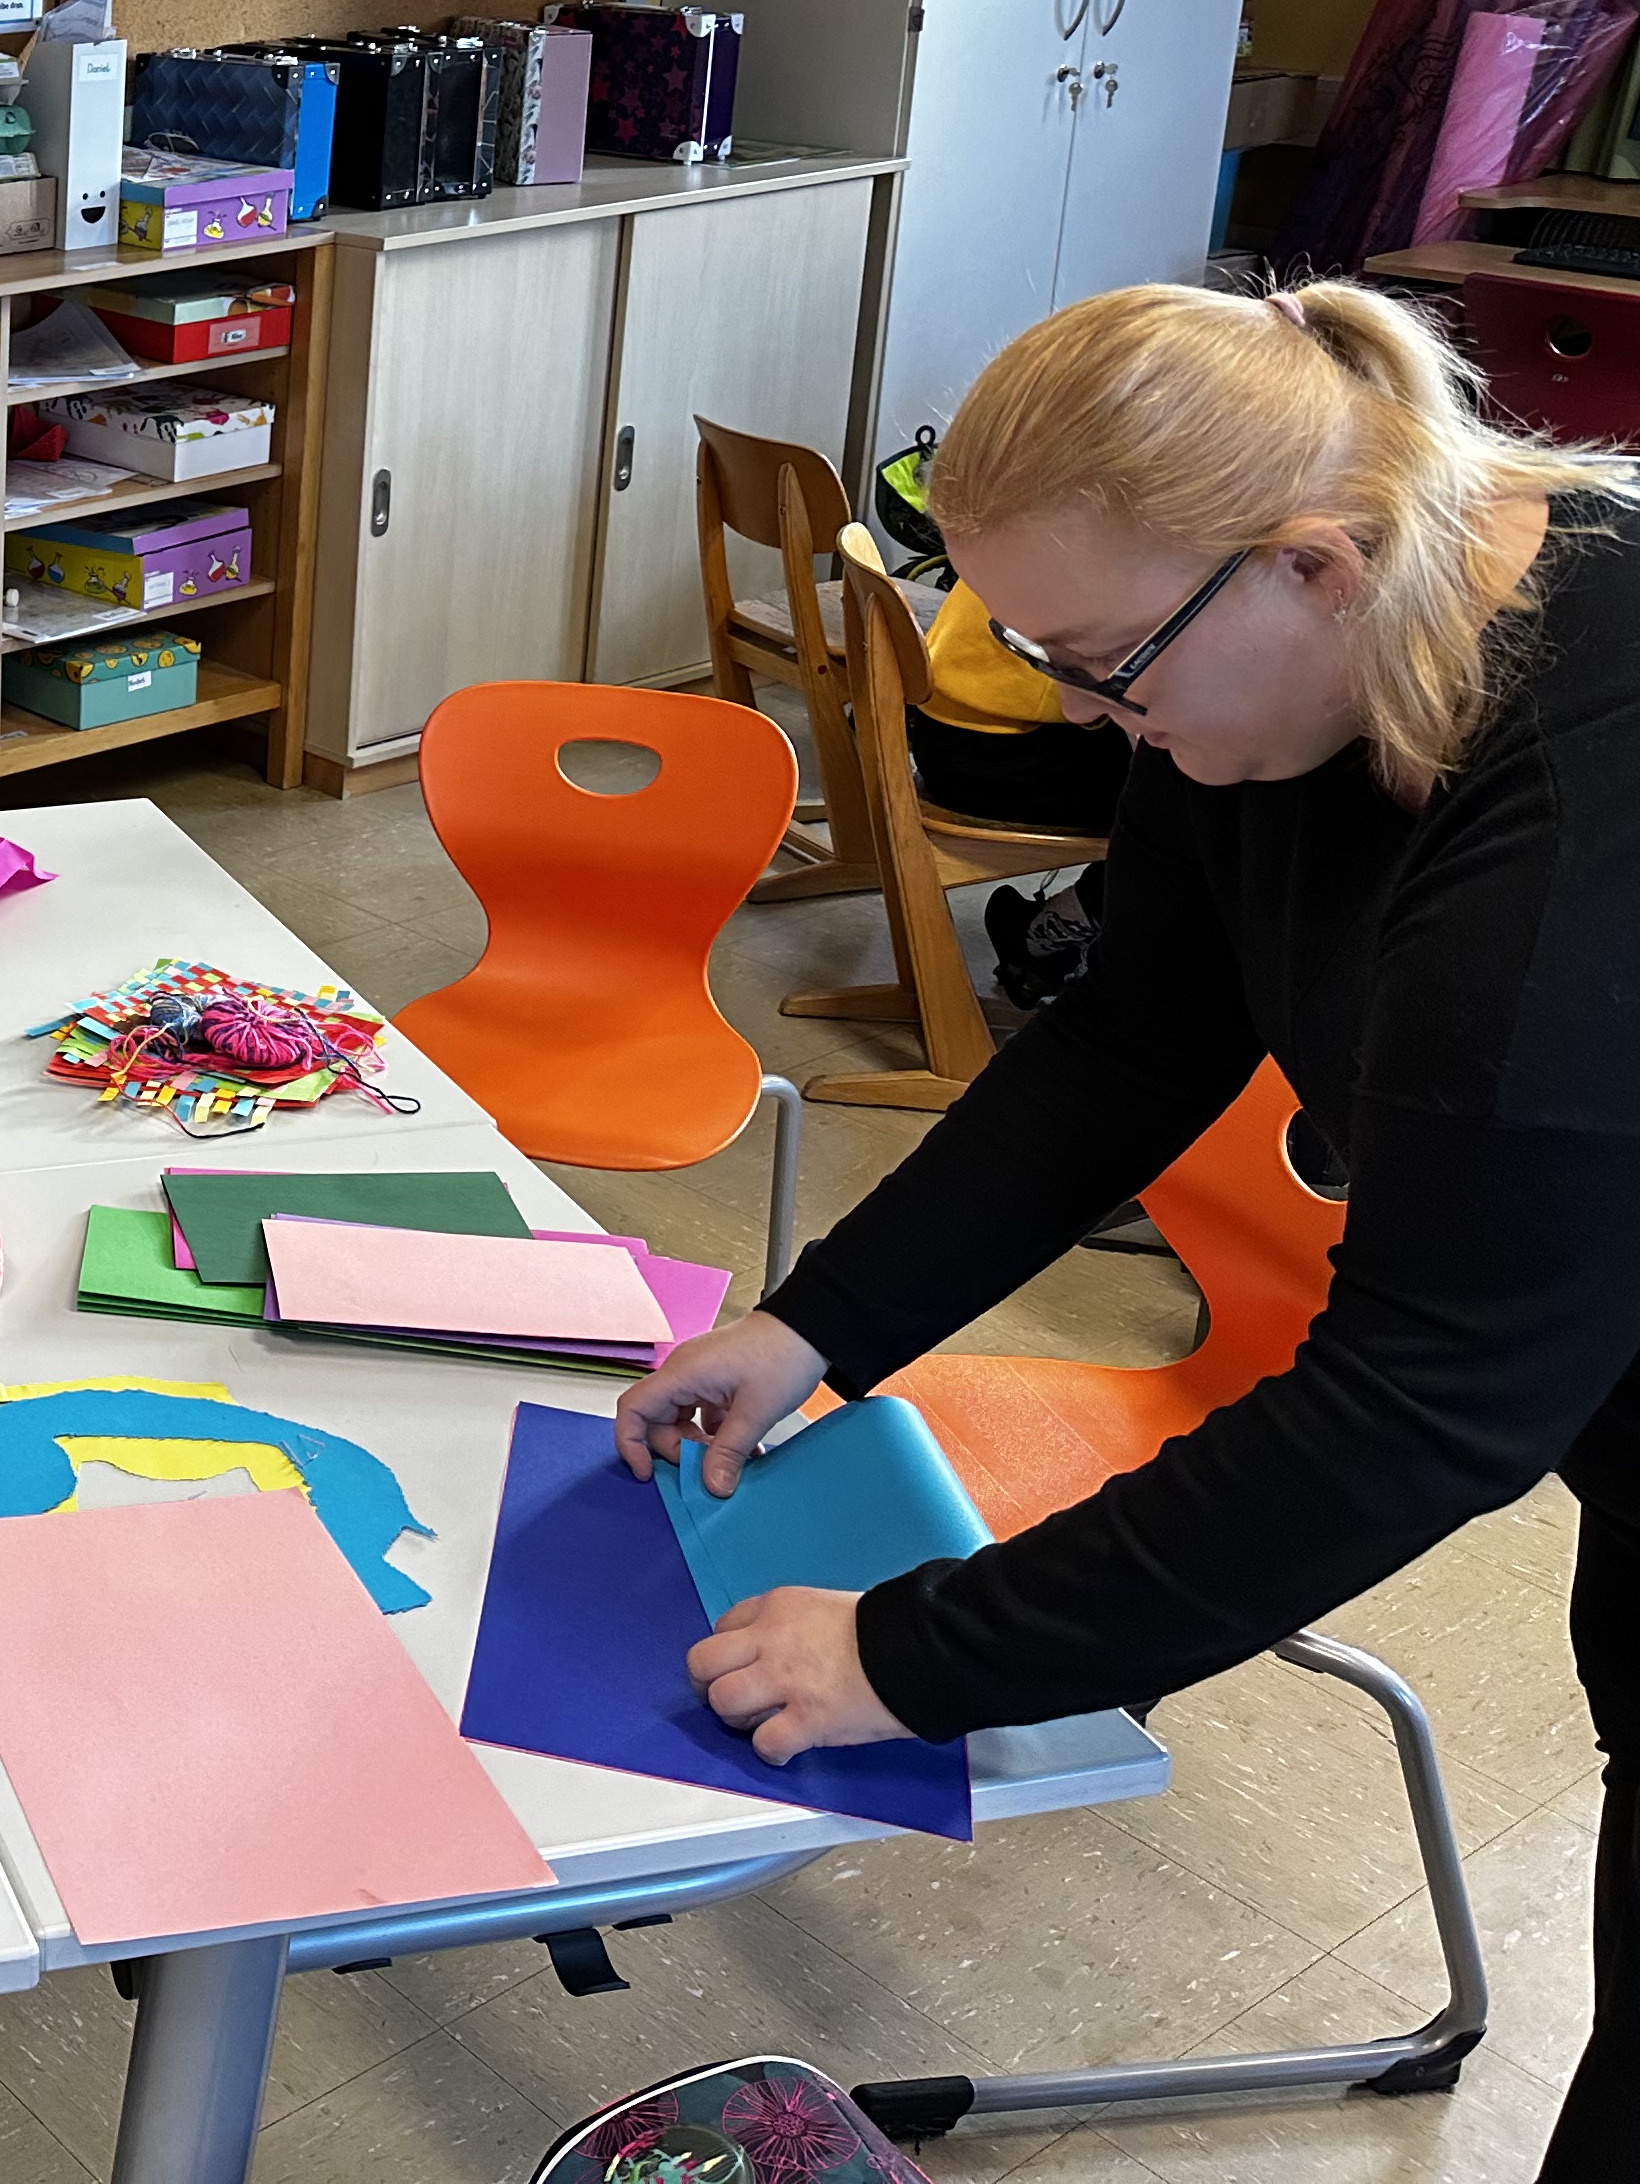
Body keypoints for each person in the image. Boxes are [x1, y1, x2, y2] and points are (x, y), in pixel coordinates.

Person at [615, 279, 1640, 2181]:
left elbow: (1417, 1406)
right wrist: (819, 1321)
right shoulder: (1262, 681)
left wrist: (916, 1654)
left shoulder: (1582, 820)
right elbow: (1137, 1032)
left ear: (1313, 567)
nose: (1090, 719)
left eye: (1101, 665)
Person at [907, 575, 1131, 1007]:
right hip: (1001, 759)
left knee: (1199, 801)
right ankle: (1048, 932)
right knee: (1196, 810)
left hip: (952, 734)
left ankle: (1066, 929)